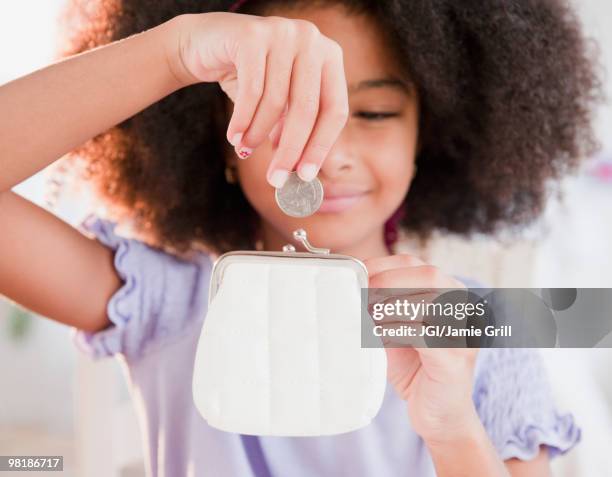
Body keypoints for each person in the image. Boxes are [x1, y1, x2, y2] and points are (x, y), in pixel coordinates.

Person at [0, 0, 599, 475]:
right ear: (222, 148)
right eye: (284, 113)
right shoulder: (168, 301)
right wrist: (176, 53)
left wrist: (452, 429)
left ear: (426, 139)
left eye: (375, 113)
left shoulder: (485, 328)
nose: (330, 154)